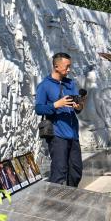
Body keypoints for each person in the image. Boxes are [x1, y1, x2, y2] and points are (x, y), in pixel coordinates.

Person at [34, 52, 85, 187]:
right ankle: (53, 199)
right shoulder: (44, 85)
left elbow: (78, 108)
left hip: (73, 134)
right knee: (59, 172)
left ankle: (71, 196)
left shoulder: (70, 84)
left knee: (76, 171)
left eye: (70, 66)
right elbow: (38, 108)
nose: (69, 70)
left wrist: (79, 106)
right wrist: (56, 105)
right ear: (56, 66)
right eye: (66, 66)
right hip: (57, 135)